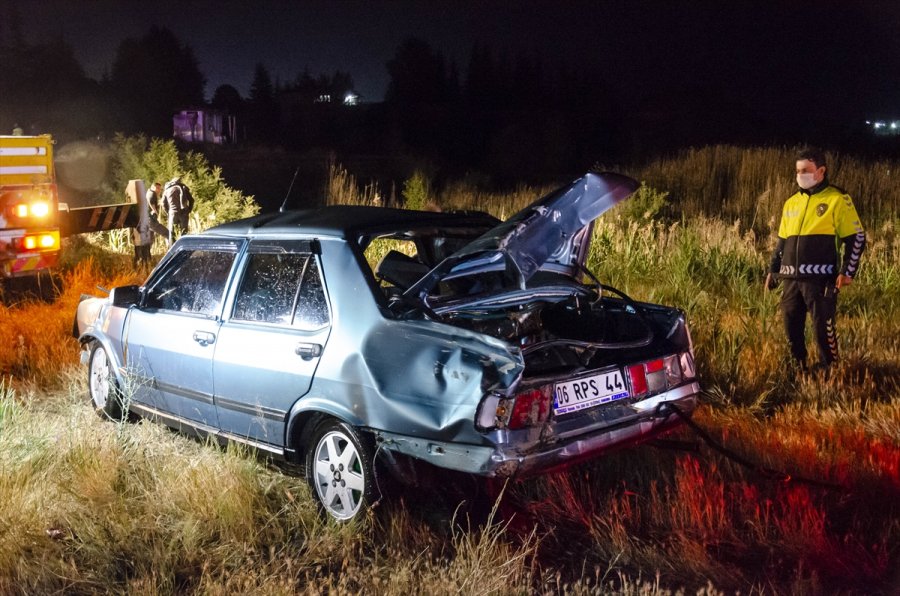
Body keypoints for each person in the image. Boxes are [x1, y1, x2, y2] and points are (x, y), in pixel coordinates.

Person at [765, 148, 866, 373]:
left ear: (821, 171)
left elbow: (856, 237)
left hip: (821, 278)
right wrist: (773, 270)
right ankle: (797, 367)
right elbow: (782, 241)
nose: (801, 175)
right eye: (798, 171)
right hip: (791, 277)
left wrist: (848, 271)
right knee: (791, 326)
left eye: (806, 171)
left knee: (823, 327)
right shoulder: (791, 202)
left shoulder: (837, 199)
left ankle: (829, 370)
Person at [162, 176, 194, 246]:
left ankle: (172, 251)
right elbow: (191, 200)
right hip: (184, 213)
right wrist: (189, 210)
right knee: (184, 233)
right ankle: (184, 249)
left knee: (171, 233)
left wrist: (168, 212)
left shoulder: (167, 190)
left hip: (173, 214)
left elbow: (163, 204)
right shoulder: (184, 188)